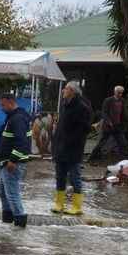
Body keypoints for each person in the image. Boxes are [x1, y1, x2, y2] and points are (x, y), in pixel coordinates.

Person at [52, 81, 93, 216]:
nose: (63, 91)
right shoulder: (64, 105)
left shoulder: (82, 107)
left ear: (72, 91)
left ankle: (76, 206)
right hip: (60, 147)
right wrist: (56, 142)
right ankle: (59, 203)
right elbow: (61, 126)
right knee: (60, 176)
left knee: (75, 176)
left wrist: (71, 141)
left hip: (73, 148)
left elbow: (85, 129)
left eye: (66, 89)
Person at [0, 93, 32, 228]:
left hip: (12, 163)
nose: (1, 108)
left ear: (11, 102)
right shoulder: (12, 117)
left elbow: (22, 142)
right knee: (3, 192)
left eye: (3, 105)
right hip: (6, 162)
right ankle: (7, 221)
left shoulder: (17, 119)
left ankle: (19, 224)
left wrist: (13, 160)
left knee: (12, 193)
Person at [89, 85, 128, 162]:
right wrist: (108, 121)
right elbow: (104, 112)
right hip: (108, 126)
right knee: (102, 142)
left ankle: (122, 160)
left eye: (121, 93)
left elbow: (123, 113)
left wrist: (125, 120)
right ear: (115, 92)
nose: (120, 94)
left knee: (123, 142)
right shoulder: (108, 100)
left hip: (118, 126)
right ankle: (92, 157)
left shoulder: (122, 101)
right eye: (118, 93)